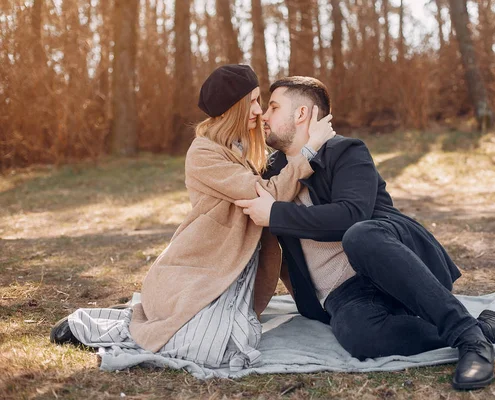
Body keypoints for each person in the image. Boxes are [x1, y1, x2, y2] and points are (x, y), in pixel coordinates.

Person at [234, 76, 495, 390]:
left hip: (392, 265)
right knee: (360, 338)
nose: (264, 115)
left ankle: (470, 341)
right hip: (345, 295)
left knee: (359, 235)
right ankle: (485, 328)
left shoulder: (345, 152)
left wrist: (276, 214)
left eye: (273, 106)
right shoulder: (272, 177)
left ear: (301, 114)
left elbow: (350, 216)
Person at [50, 65, 335, 372]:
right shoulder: (204, 153)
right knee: (211, 349)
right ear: (234, 107)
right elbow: (270, 197)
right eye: (253, 101)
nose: (260, 110)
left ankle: (154, 314)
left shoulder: (242, 151)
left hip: (233, 271)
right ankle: (100, 324)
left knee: (233, 342)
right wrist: (308, 151)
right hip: (203, 268)